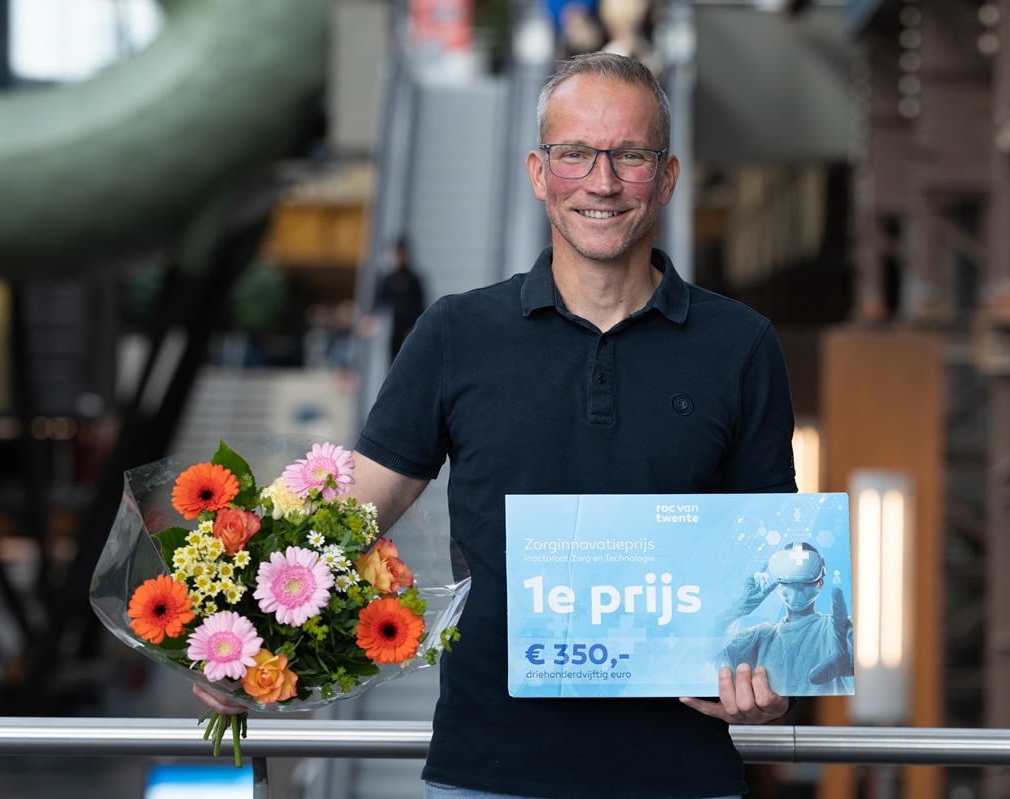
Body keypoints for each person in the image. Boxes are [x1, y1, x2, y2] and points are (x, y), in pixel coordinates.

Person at [196, 52, 797, 798]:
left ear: (667, 177)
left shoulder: (740, 345)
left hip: (679, 775)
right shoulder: (457, 333)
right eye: (575, 154)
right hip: (485, 774)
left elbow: (772, 554)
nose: (601, 182)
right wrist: (240, 632)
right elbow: (353, 512)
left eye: (630, 157)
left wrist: (775, 676)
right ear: (540, 174)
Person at [717, 541, 855, 696]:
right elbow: (706, 653)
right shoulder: (759, 637)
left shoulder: (838, 631)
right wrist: (737, 608)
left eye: (803, 583)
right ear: (779, 585)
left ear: (820, 583)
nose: (797, 588)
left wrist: (854, 663)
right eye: (790, 582)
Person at [374, 237, 426, 363]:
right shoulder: (388, 280)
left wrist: (415, 328)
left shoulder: (414, 280)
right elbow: (379, 305)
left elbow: (421, 307)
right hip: (393, 330)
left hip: (410, 330)